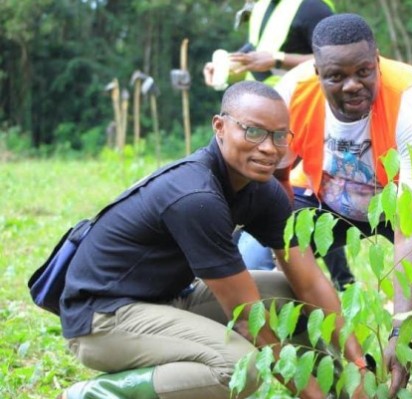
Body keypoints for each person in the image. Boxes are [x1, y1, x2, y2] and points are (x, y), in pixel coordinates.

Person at [57, 81, 367, 399]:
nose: (269, 148)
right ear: (220, 126)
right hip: (102, 321)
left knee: (293, 299)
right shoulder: (195, 196)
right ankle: (97, 394)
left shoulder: (264, 190)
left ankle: (340, 390)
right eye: (253, 131)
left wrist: (358, 364)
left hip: (168, 300)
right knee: (242, 368)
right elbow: (249, 322)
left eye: (279, 136)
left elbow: (310, 283)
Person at [253, 13, 412, 394]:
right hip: (333, 197)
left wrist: (400, 327)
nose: (353, 85)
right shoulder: (291, 93)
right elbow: (279, 186)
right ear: (316, 70)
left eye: (364, 72)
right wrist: (290, 253)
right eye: (336, 77)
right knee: (256, 255)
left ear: (378, 61)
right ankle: (328, 367)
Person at [203, 0, 334, 87]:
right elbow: (255, 47)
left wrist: (277, 60)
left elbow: (333, 61)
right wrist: (221, 66)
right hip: (260, 107)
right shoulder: (262, 5)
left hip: (300, 106)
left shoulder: (314, 7)